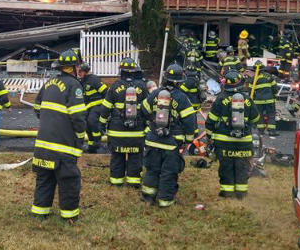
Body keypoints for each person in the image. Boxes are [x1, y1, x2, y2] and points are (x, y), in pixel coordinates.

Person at [30, 49, 86, 221]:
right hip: (63, 146)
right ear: (74, 67)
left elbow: (37, 108)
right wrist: (80, 136)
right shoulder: (74, 85)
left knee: (45, 179)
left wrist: (51, 119)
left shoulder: (49, 83)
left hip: (43, 145)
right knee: (69, 180)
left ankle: (40, 213)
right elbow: (78, 116)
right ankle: (69, 217)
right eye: (78, 66)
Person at [140, 64, 197, 207]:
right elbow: (190, 122)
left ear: (165, 78)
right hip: (172, 143)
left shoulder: (155, 94)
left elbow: (143, 110)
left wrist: (152, 121)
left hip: (153, 139)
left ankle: (148, 197)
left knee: (152, 169)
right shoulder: (182, 98)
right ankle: (165, 201)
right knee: (168, 172)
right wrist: (188, 140)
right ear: (179, 81)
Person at [206, 69, 259, 199]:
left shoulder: (220, 99)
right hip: (244, 143)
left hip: (224, 143)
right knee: (242, 168)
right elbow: (255, 118)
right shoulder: (247, 99)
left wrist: (209, 137)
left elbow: (211, 120)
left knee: (226, 168)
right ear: (240, 83)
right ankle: (241, 193)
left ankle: (227, 193)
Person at [99, 58, 148, 187]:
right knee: (135, 158)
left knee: (117, 157)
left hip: (117, 132)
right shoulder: (142, 87)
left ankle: (116, 181)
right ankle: (133, 182)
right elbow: (148, 110)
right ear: (134, 71)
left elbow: (105, 108)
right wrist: (148, 126)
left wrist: (101, 125)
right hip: (137, 132)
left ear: (121, 71)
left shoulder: (114, 86)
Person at [78, 62, 108, 154]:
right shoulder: (81, 81)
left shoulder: (94, 79)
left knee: (92, 122)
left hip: (97, 106)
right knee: (87, 126)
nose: (78, 73)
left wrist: (106, 107)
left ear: (85, 71)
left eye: (80, 71)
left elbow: (106, 92)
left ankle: (98, 143)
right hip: (88, 108)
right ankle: (91, 146)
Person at [250, 61, 279, 136]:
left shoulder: (253, 79)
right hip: (269, 100)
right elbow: (275, 88)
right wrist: (274, 95)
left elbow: (250, 91)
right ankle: (271, 131)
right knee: (271, 115)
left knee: (259, 115)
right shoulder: (269, 76)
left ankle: (261, 131)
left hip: (258, 101)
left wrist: (253, 99)